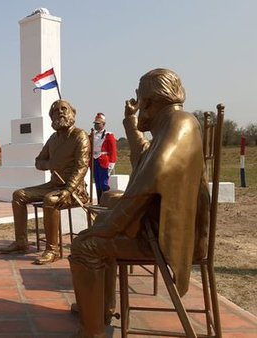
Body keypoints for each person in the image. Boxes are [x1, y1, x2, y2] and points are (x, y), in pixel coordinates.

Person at [68, 68, 210, 338]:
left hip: (161, 239)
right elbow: (145, 156)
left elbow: (149, 179)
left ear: (149, 101)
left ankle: (92, 331)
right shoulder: (171, 124)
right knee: (108, 204)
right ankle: (101, 308)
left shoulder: (181, 122)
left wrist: (108, 227)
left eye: (140, 97)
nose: (138, 103)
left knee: (85, 245)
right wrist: (130, 122)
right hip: (154, 229)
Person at [0, 100, 90, 264]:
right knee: (18, 195)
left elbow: (82, 167)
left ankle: (52, 250)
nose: (60, 112)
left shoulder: (80, 136)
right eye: (56, 111)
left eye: (64, 109)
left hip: (75, 190)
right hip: (53, 185)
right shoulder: (53, 139)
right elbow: (38, 162)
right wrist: (50, 165)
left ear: (72, 113)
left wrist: (68, 189)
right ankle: (21, 242)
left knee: (50, 200)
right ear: (51, 117)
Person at [91, 113, 117, 202]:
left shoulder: (108, 135)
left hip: (103, 161)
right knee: (97, 183)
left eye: (98, 123)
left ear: (103, 124)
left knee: (104, 183)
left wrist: (111, 164)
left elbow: (113, 151)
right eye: (95, 123)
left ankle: (105, 202)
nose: (96, 125)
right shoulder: (92, 135)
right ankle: (99, 201)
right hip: (94, 160)